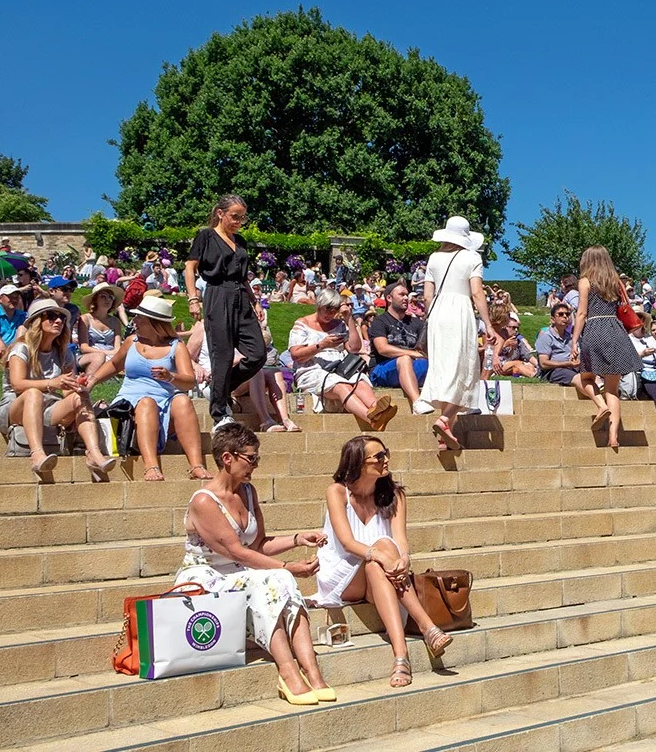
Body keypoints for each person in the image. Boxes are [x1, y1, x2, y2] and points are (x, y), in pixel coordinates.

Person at [176, 423, 333, 704]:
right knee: (274, 578)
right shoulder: (204, 501)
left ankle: (312, 670)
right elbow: (237, 552)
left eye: (257, 458)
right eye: (251, 458)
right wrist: (287, 566)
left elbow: (258, 545)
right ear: (228, 458)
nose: (256, 465)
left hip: (239, 570)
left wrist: (298, 539)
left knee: (278, 579)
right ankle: (288, 672)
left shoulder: (248, 492)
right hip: (206, 575)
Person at [314, 435, 454, 687]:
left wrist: (404, 560)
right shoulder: (337, 493)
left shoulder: (395, 495)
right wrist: (382, 555)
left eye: (386, 453)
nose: (386, 459)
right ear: (358, 463)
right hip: (341, 574)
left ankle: (401, 656)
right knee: (380, 548)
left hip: (379, 572)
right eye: (378, 456)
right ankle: (427, 626)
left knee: (382, 555)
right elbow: (347, 543)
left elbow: (401, 540)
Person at [87, 298, 210, 482]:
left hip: (165, 404)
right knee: (146, 403)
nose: (133, 322)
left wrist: (171, 377)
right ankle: (151, 466)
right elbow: (113, 364)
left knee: (183, 400)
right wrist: (92, 380)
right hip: (131, 406)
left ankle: (196, 465)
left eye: (139, 318)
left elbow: (189, 382)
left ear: (154, 323)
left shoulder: (176, 347)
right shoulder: (131, 342)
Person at [0, 299, 111, 481]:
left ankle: (94, 454)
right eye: (52, 316)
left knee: (80, 397)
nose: (59, 321)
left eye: (62, 318)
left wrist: (77, 386)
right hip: (14, 407)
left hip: (47, 406)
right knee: (33, 393)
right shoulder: (21, 348)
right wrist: (52, 383)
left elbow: (65, 393)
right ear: (37, 321)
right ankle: (37, 455)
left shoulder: (63, 353)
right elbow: (17, 385)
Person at [185, 195, 265, 429]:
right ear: (220, 213)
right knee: (223, 355)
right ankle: (220, 413)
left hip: (241, 296)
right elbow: (190, 267)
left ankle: (219, 389)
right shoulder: (206, 236)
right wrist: (193, 298)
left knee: (257, 354)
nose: (239, 221)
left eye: (242, 217)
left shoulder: (240, 241)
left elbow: (243, 276)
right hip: (217, 294)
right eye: (235, 216)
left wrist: (255, 301)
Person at [420, 216, 492, 451]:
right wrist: (488, 324)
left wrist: (432, 316)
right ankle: (444, 420)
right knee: (464, 368)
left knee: (444, 369)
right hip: (460, 311)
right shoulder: (472, 257)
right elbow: (477, 293)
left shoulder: (434, 258)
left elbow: (427, 295)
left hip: (437, 313)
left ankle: (444, 436)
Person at [289, 288, 396, 432]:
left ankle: (378, 408)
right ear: (319, 305)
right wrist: (322, 345)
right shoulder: (302, 324)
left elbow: (354, 347)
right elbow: (296, 355)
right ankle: (371, 419)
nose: (331, 313)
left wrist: (348, 319)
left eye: (334, 310)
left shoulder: (338, 324)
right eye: (328, 309)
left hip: (340, 367)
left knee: (361, 381)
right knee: (341, 386)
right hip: (313, 369)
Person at [573, 246, 643, 450]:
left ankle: (600, 405)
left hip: (594, 329)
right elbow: (626, 306)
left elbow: (581, 314)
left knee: (584, 378)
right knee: (612, 389)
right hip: (616, 330)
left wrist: (574, 340)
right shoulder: (616, 282)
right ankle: (613, 438)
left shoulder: (585, 282)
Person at [368, 282, 431, 414]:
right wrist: (412, 353)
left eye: (407, 295)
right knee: (404, 359)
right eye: (401, 294)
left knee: (438, 362)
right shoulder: (380, 321)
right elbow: (383, 349)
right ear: (389, 298)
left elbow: (424, 350)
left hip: (412, 366)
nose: (406, 298)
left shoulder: (417, 323)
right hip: (382, 370)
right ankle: (416, 403)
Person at [483, 304, 537, 378]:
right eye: (508, 315)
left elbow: (527, 354)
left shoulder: (502, 332)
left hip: (500, 362)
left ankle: (537, 376)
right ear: (502, 316)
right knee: (484, 378)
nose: (516, 330)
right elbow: (487, 349)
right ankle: (535, 376)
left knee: (526, 365)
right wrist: (505, 345)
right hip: (490, 361)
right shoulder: (489, 330)